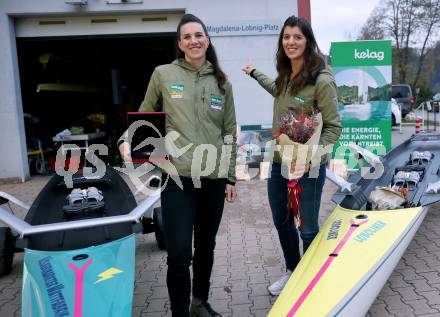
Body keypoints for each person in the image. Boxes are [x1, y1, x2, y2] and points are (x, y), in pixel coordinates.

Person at [119, 14, 237, 317]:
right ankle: (179, 313)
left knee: (206, 248)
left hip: (213, 178)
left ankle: (199, 303)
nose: (194, 41)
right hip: (177, 179)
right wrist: (125, 140)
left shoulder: (222, 83)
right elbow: (145, 114)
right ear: (180, 44)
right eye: (187, 37)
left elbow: (229, 132)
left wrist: (232, 178)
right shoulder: (163, 74)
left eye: (199, 35)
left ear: (207, 40)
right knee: (180, 252)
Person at [242, 15, 341, 295]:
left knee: (307, 228)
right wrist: (253, 73)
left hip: (308, 168)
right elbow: (276, 90)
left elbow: (334, 126)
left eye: (297, 37)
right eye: (286, 37)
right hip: (278, 163)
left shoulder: (321, 79)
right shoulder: (286, 76)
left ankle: (313, 283)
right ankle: (294, 271)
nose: (291, 42)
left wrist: (313, 158)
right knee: (282, 221)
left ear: (308, 41)